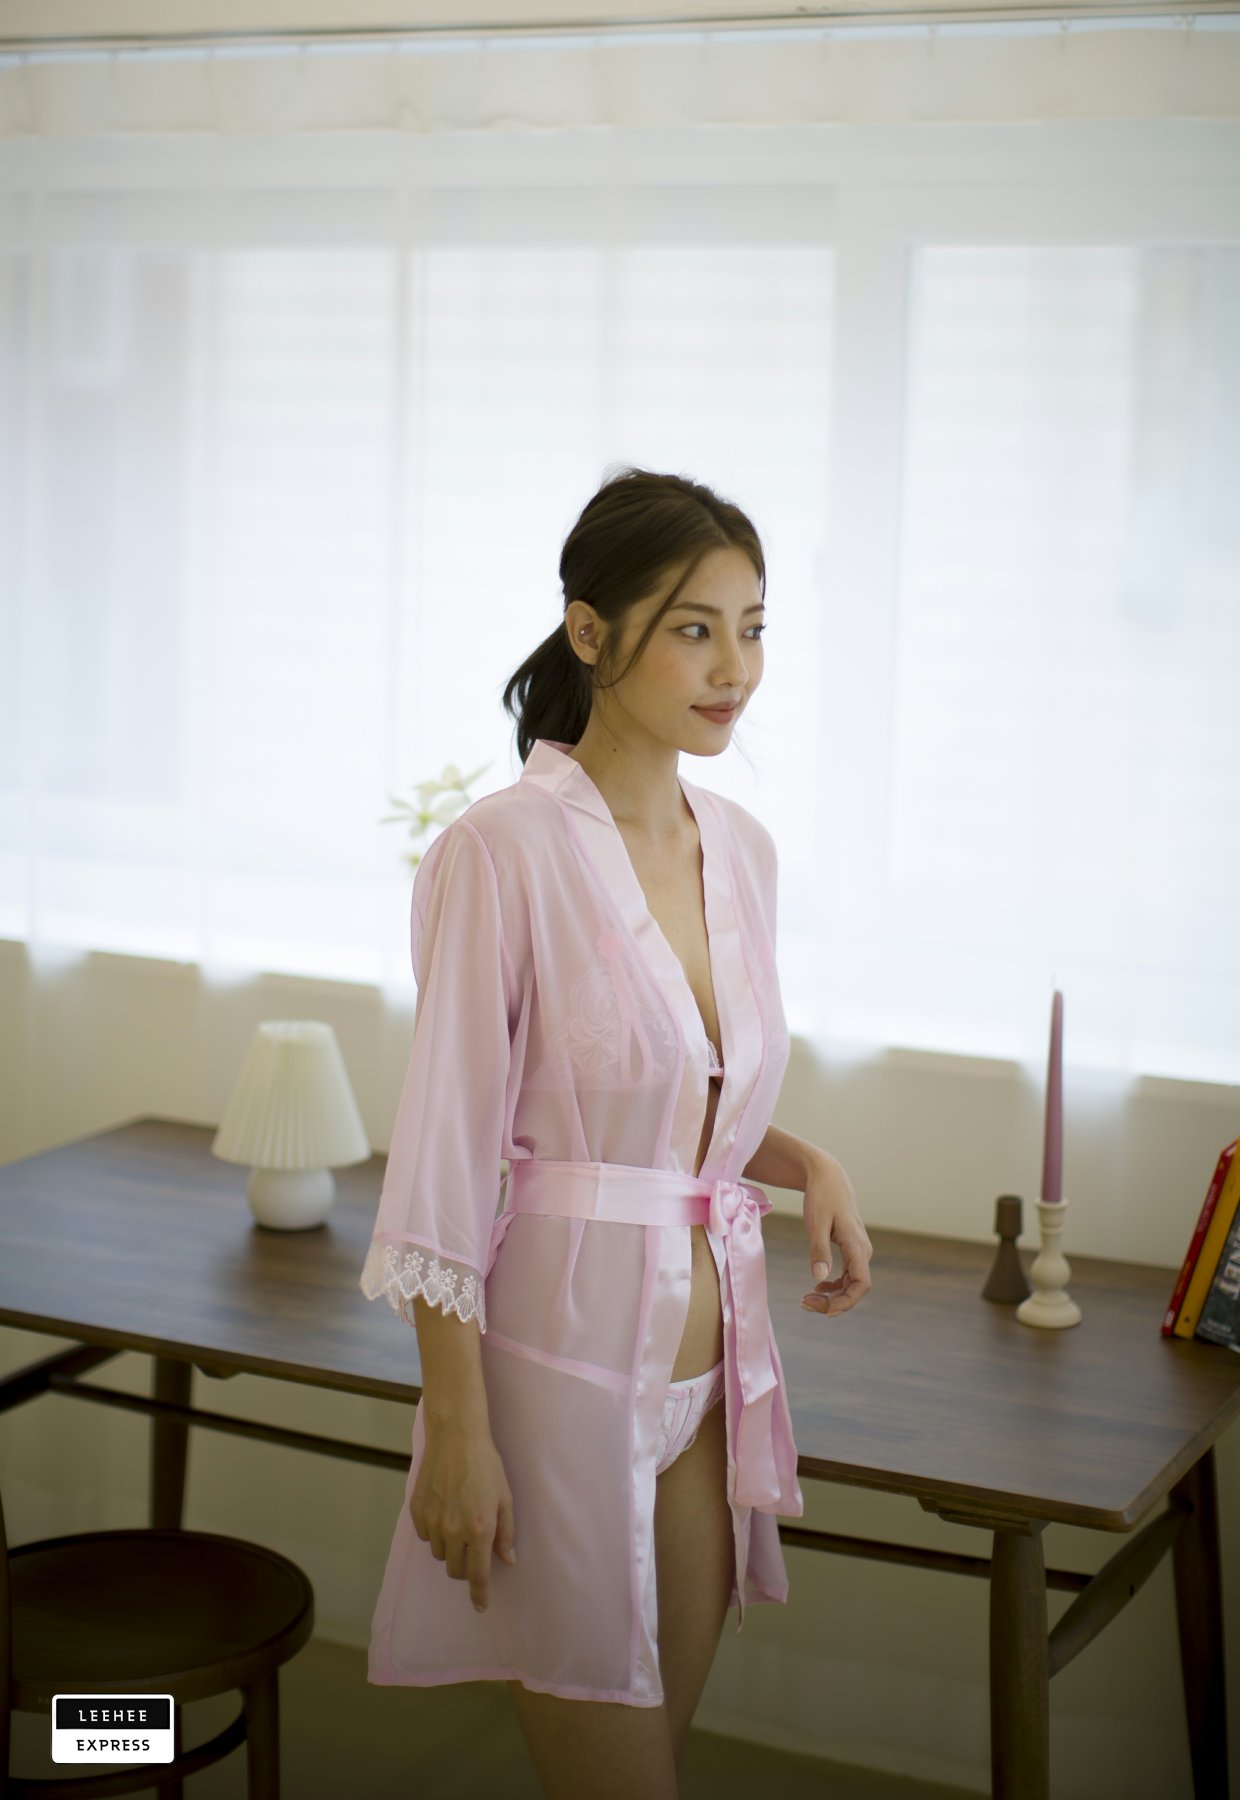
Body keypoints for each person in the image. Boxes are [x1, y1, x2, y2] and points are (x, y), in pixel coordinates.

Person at [358, 466, 873, 1799]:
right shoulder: (500, 853)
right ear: (590, 631)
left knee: (658, 1768)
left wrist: (804, 1161)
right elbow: (449, 1153)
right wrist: (457, 1430)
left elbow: (673, 1095)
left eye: (752, 628)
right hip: (556, 1372)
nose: (735, 669)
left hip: (711, 1384)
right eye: (695, 629)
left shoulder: (741, 850)